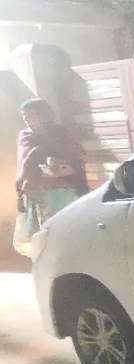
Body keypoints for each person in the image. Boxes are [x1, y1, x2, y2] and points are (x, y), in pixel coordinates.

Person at [12, 98, 88, 256]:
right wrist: (21, 189)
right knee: (43, 234)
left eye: (31, 116)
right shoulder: (25, 136)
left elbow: (76, 157)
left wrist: (66, 168)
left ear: (44, 115)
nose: (27, 120)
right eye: (25, 117)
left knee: (65, 229)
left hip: (63, 193)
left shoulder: (61, 134)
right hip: (38, 194)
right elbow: (24, 165)